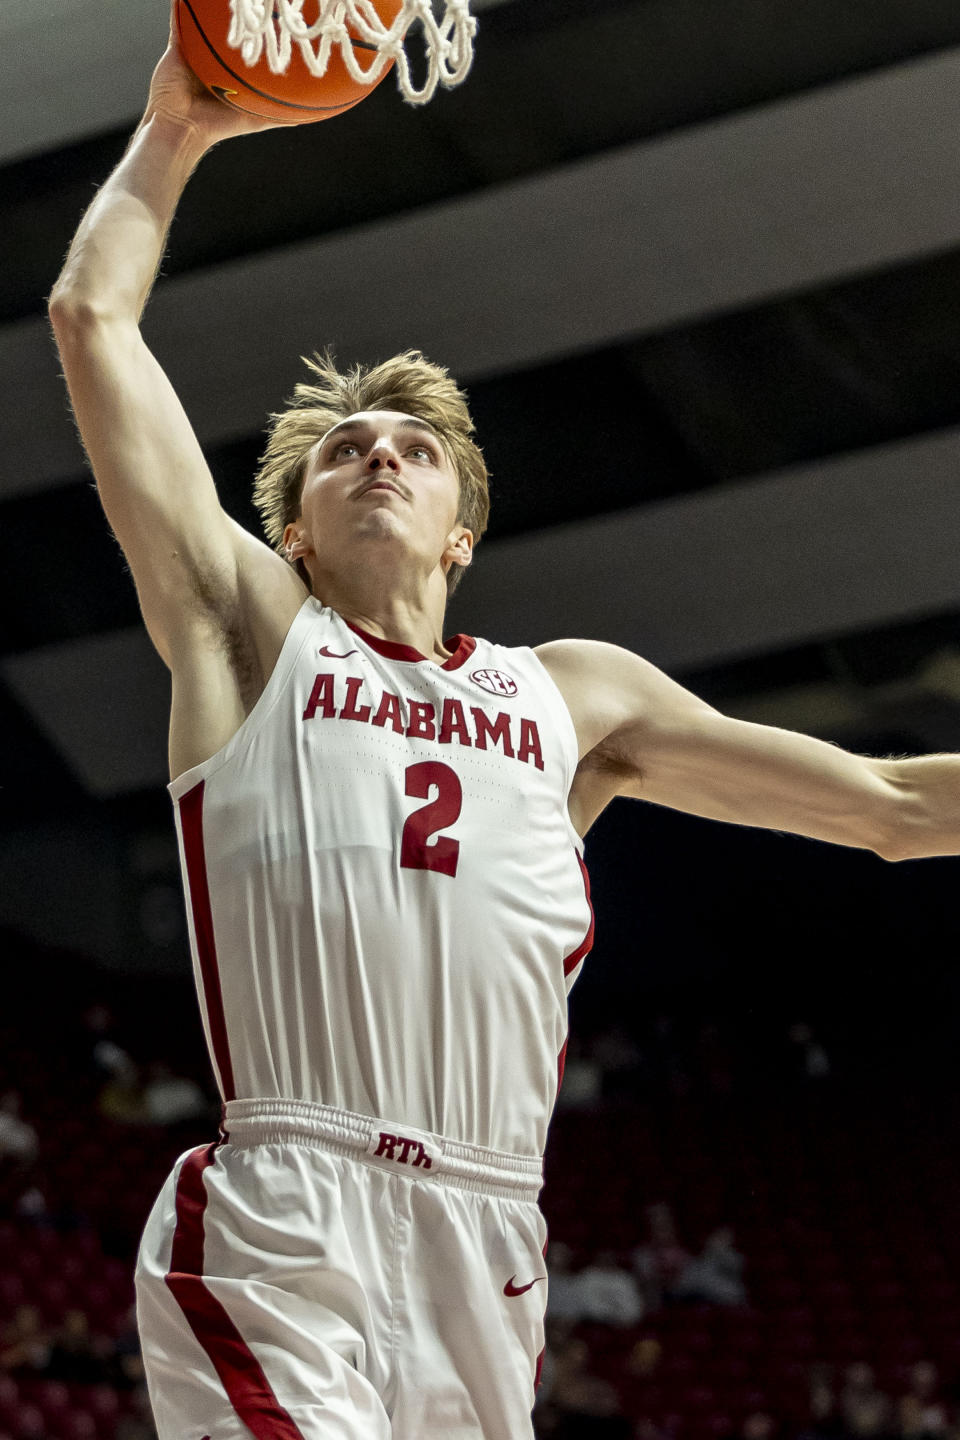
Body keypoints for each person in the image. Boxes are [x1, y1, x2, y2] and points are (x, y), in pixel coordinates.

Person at [47, 7, 960, 1438]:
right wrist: (178, 129)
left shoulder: (574, 696)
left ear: (463, 530)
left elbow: (896, 809)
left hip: (490, 1242)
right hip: (298, 1208)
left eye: (412, 450)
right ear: (290, 529)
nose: (378, 458)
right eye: (345, 451)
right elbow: (91, 322)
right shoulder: (249, 632)